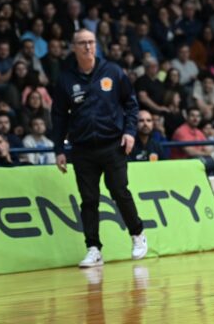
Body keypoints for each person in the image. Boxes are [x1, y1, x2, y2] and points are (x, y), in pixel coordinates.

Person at [51, 29, 147, 268]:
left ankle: (137, 235)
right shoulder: (65, 79)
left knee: (119, 191)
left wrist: (129, 132)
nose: (87, 47)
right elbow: (59, 116)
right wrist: (58, 149)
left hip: (112, 145)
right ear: (73, 47)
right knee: (89, 200)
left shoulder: (113, 72)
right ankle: (93, 248)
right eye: (82, 43)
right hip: (82, 149)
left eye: (91, 42)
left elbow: (131, 104)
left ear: (96, 45)